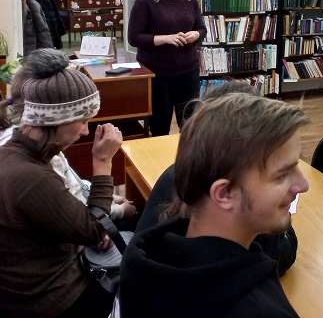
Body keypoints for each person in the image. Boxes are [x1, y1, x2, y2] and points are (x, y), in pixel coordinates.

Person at [119, 92, 310, 317]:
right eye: (282, 174)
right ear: (225, 193)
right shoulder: (260, 310)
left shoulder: (148, 259)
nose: (303, 185)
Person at [0, 49, 124, 318]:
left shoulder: (19, 153)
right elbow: (94, 231)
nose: (85, 131)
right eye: (81, 120)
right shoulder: (29, 176)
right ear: (50, 120)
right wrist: (103, 163)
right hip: (55, 300)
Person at [134, 80, 299, 276]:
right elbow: (281, 256)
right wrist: (284, 220)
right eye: (280, 176)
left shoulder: (179, 171)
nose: (301, 185)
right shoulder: (244, 210)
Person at [128, 0, 206, 136]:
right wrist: (165, 38)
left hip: (188, 70)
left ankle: (188, 162)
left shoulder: (189, 1)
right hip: (157, 73)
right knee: (159, 124)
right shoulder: (145, 2)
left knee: (189, 123)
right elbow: (134, 37)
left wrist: (195, 34)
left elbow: (201, 29)